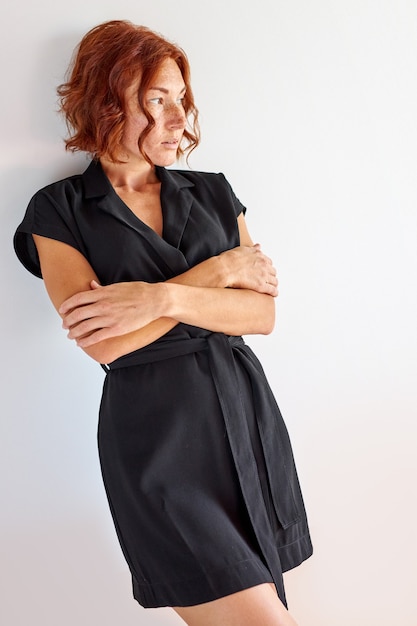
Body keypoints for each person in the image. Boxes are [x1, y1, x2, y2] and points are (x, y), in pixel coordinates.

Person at [14, 20, 312, 626]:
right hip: (157, 445)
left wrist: (157, 301)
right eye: (157, 101)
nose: (180, 118)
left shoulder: (214, 193)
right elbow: (107, 343)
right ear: (106, 102)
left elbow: (262, 313)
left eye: (181, 100)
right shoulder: (59, 211)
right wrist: (218, 272)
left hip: (246, 422)